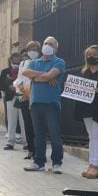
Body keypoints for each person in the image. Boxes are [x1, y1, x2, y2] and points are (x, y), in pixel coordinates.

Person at [23, 36, 66, 173]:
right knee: (38, 134)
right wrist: (45, 75)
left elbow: (48, 76)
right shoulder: (35, 62)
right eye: (46, 43)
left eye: (51, 44)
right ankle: (38, 161)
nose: (47, 45)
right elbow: (26, 72)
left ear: (56, 48)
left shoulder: (59, 62)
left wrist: (38, 77)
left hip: (51, 103)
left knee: (54, 134)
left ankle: (57, 163)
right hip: (35, 102)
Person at [74, 44, 98, 179]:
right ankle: (91, 164)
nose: (91, 57)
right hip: (86, 107)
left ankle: (96, 165)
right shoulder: (84, 72)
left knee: (97, 135)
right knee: (91, 136)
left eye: (94, 54)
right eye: (89, 55)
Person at [16, 41, 38, 159]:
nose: (33, 50)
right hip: (24, 96)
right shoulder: (22, 64)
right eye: (31, 48)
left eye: (35, 48)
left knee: (37, 124)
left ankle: (38, 149)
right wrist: (22, 93)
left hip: (37, 96)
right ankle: (30, 149)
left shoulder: (39, 63)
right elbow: (19, 80)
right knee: (27, 123)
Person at [1, 51, 24, 150]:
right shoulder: (5, 71)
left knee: (23, 120)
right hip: (10, 96)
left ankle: (26, 142)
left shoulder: (24, 69)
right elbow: (1, 84)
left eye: (18, 61)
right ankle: (10, 142)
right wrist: (9, 86)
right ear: (11, 60)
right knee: (11, 119)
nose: (16, 63)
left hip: (21, 95)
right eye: (14, 60)